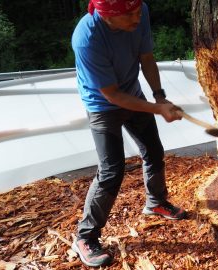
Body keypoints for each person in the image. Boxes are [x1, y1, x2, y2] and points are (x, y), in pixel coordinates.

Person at [71, 0, 186, 267]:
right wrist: (157, 108)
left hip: (133, 95)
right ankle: (85, 237)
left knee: (153, 151)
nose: (138, 17)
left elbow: (146, 57)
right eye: (129, 15)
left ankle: (156, 202)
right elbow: (111, 95)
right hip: (102, 106)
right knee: (111, 171)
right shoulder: (87, 39)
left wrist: (160, 96)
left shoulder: (139, 9)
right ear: (108, 16)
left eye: (137, 11)